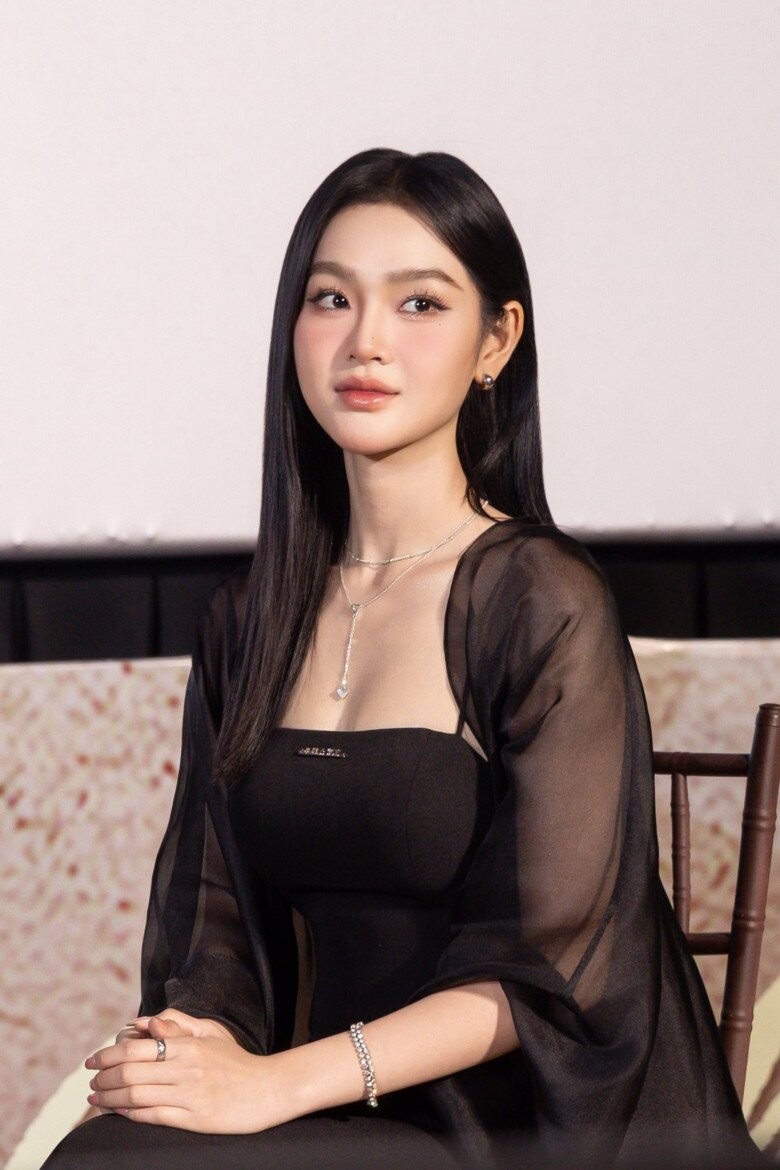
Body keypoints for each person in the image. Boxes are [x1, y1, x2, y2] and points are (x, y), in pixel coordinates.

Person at [42, 148, 761, 1170]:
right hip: (345, 1117)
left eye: (420, 303)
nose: (365, 341)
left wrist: (280, 1084)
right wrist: (179, 1060)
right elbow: (215, 932)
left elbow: (548, 970)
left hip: (530, 1128)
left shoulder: (541, 600)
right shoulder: (249, 618)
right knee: (115, 1146)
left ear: (495, 341)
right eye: (331, 299)